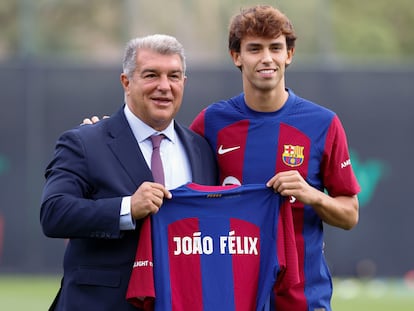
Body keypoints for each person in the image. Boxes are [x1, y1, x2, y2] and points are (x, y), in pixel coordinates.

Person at [189, 5, 360, 311]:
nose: (266, 58)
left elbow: (350, 215)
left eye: (275, 48)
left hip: (303, 297)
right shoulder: (211, 123)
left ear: (289, 55)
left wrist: (312, 195)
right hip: (230, 293)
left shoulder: (323, 123)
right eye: (254, 48)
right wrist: (104, 133)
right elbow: (168, 174)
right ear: (236, 56)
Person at [40, 34, 217, 311]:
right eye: (151, 75)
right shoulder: (85, 142)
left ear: (183, 82)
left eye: (174, 76)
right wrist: (127, 208)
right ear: (126, 82)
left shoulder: (201, 149)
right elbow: (53, 213)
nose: (164, 86)